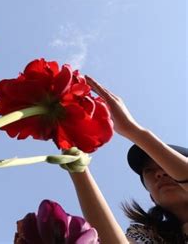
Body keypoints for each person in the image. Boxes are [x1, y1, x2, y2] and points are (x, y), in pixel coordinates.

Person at [62, 76, 188, 243]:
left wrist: (132, 130)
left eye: (165, 166)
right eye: (148, 171)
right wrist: (78, 168)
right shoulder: (146, 234)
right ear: (152, 197)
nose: (158, 174)